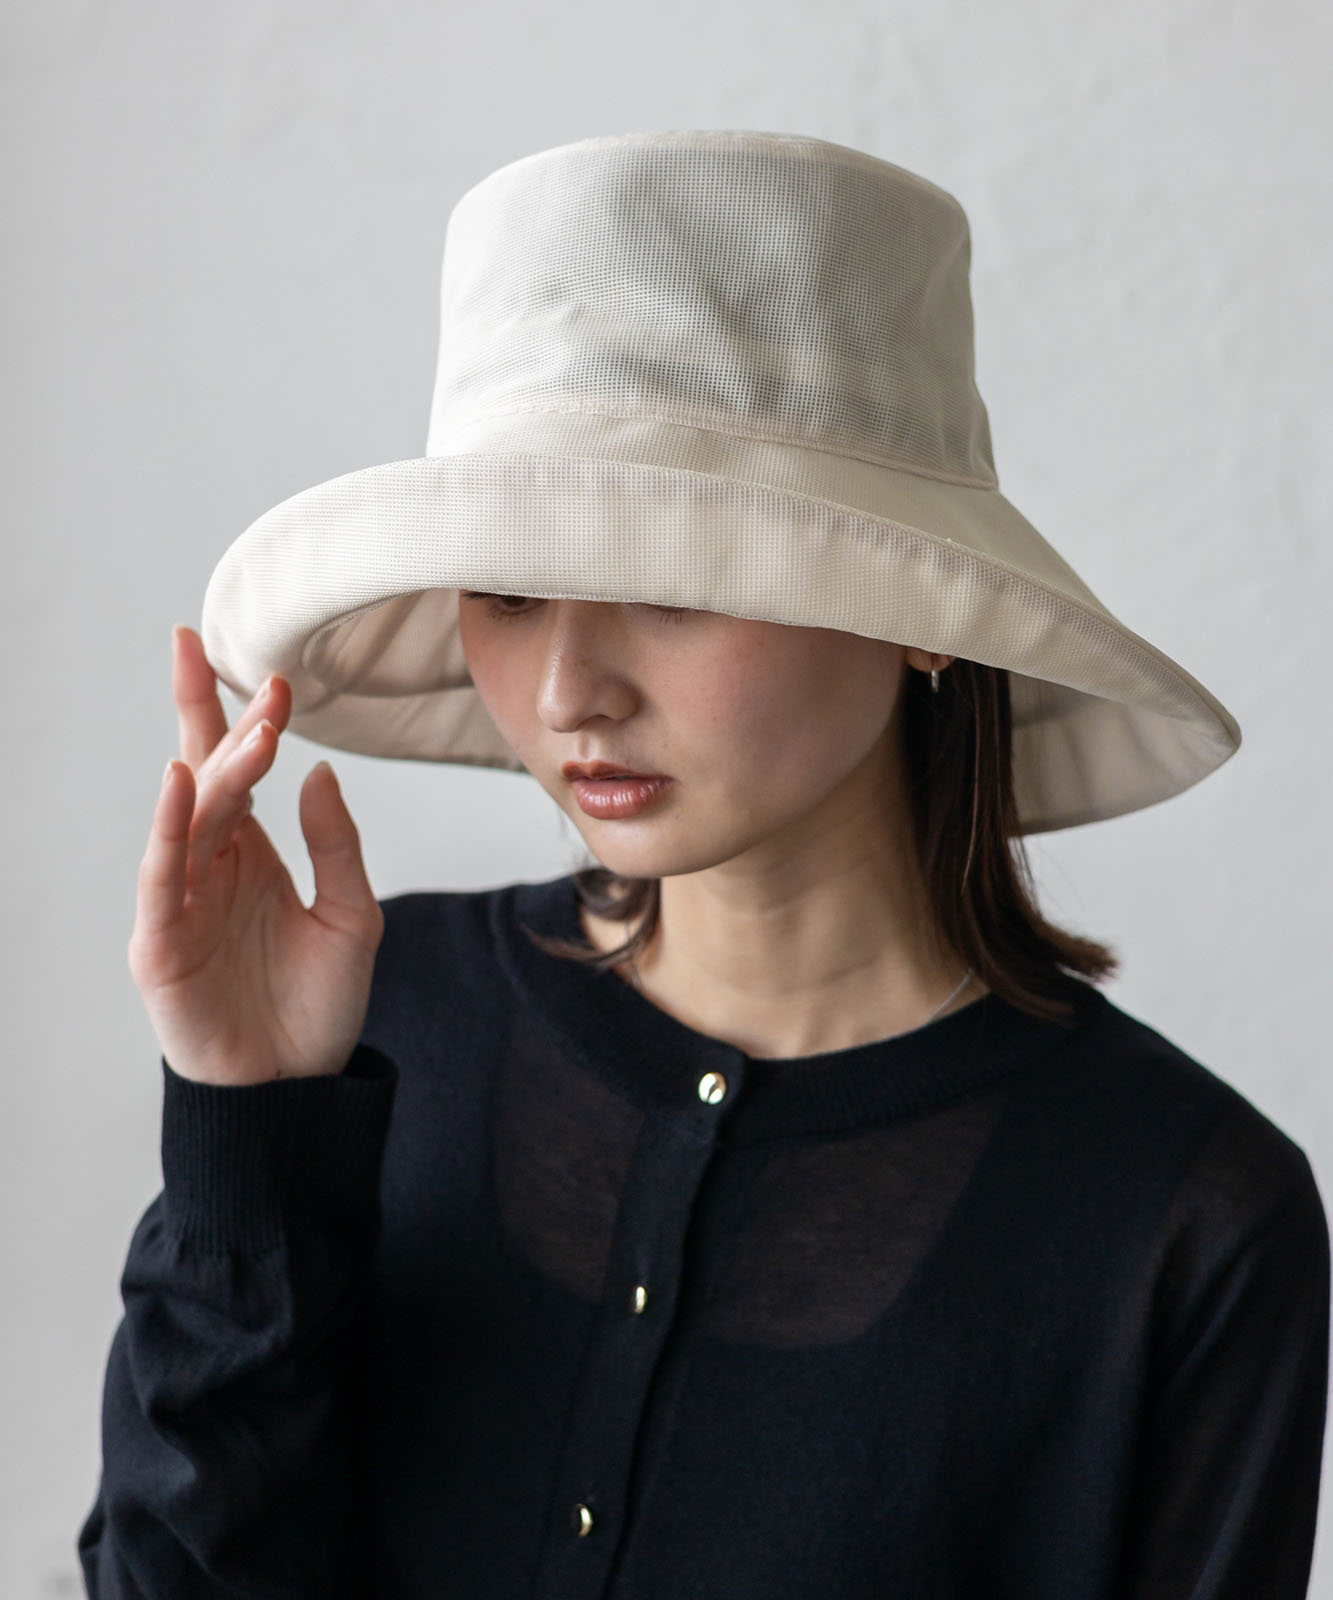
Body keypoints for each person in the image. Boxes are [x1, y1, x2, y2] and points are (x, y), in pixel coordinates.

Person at [78, 130, 1329, 1598]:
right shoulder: (375, 1029)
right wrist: (245, 1129)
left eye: (666, 582)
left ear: (922, 612)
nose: (568, 694)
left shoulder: (1183, 1218)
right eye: (512, 590)